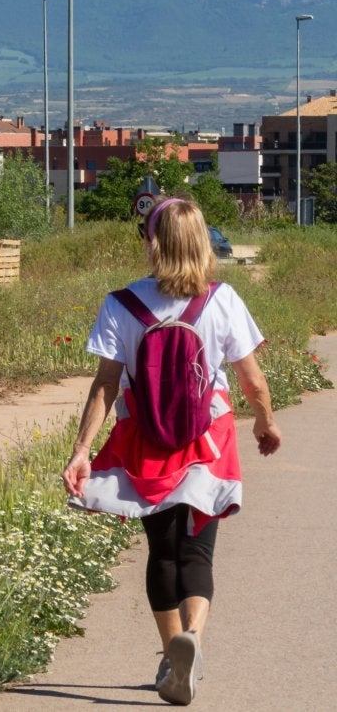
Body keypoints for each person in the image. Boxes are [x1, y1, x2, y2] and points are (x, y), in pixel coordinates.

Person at [61, 197, 282, 706]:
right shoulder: (222, 299)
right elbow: (252, 380)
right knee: (198, 551)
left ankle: (169, 656)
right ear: (203, 242)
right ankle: (193, 642)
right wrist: (265, 424)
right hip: (209, 437)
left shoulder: (122, 304)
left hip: (146, 439)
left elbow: (105, 386)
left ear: (150, 242)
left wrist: (81, 451)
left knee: (162, 552)